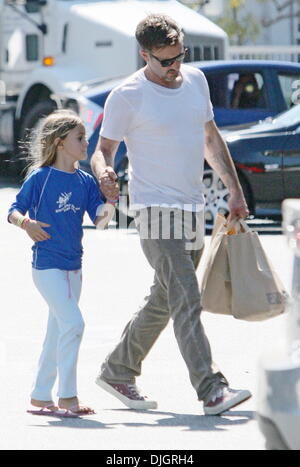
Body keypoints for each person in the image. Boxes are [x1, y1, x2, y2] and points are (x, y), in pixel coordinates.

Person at [91, 14, 251, 415]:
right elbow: (103, 149)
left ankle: (117, 369)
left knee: (165, 298)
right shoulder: (127, 95)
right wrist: (104, 173)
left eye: (180, 55)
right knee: (185, 296)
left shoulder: (195, 81)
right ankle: (212, 388)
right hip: (154, 210)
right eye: (165, 60)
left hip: (193, 206)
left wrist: (233, 190)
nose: (174, 65)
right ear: (144, 55)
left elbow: (210, 139)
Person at [8, 110, 115, 417]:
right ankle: (67, 397)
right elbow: (13, 210)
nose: (86, 143)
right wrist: (25, 223)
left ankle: (41, 395)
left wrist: (110, 199)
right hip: (47, 267)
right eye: (80, 138)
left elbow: (101, 221)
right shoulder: (41, 178)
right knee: (74, 324)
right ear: (60, 143)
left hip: (74, 268)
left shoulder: (84, 181)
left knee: (57, 332)